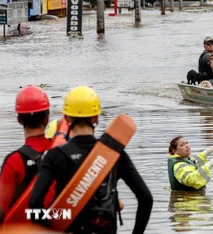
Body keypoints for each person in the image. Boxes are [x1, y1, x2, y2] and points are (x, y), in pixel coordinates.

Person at [29, 86, 153, 233]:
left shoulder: (55, 156)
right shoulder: (114, 154)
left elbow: (34, 204)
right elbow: (146, 198)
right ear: (96, 118)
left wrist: (53, 224)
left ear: (67, 119)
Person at [0, 86, 51, 224]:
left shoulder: (14, 162)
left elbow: (1, 210)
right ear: (47, 118)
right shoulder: (62, 154)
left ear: (19, 120)